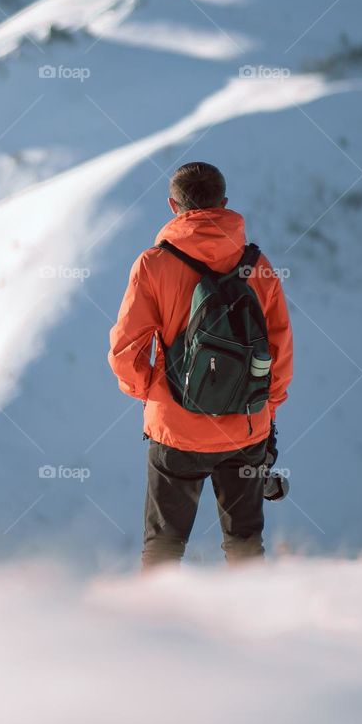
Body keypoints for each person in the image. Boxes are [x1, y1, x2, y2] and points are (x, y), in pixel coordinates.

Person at [108, 161, 293, 568]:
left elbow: (126, 348)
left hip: (175, 429)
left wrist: (153, 393)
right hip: (246, 426)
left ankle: (152, 627)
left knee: (163, 546)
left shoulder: (153, 264)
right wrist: (267, 407)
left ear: (174, 206)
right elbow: (279, 347)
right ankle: (254, 625)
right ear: (225, 204)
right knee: (245, 543)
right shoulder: (257, 267)